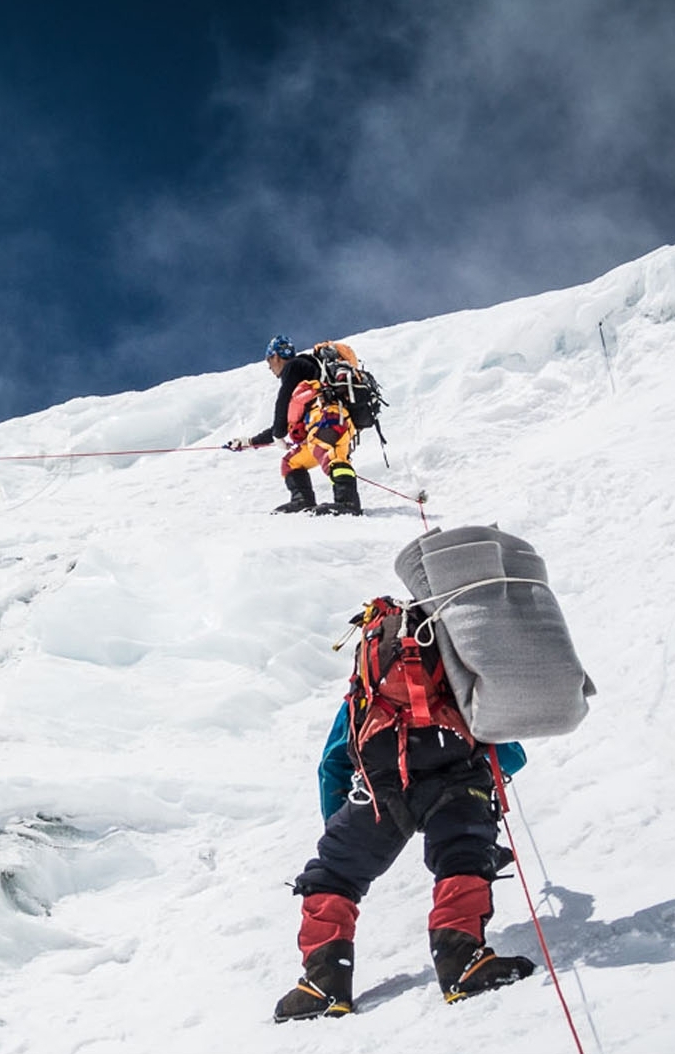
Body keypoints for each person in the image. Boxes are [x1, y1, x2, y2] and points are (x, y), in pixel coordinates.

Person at [274, 596, 535, 1022]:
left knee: (335, 874)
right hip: (458, 780)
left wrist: (343, 826)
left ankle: (323, 984)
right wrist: (478, 789)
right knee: (462, 857)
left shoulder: (367, 692)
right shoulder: (456, 677)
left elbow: (333, 763)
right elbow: (510, 754)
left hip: (382, 789)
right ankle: (462, 961)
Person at [225, 336, 362, 515]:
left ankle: (348, 503)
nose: (269, 367)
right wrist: (249, 442)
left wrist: (278, 433)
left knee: (331, 454)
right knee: (291, 462)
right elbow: (287, 422)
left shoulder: (294, 366)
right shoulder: (306, 374)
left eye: (269, 361)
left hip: (329, 417)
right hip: (325, 423)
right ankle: (302, 501)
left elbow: (282, 403)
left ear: (275, 356)